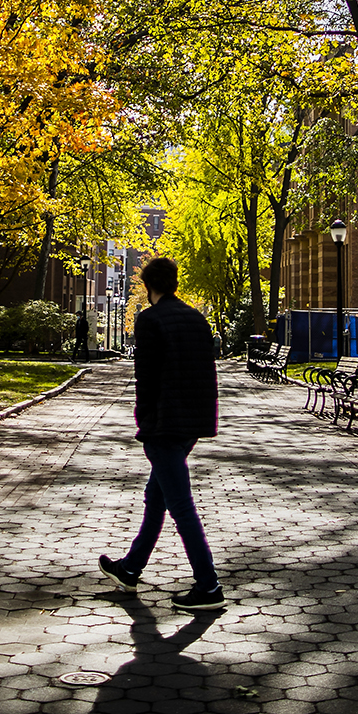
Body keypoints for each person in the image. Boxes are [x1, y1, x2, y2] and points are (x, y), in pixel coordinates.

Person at [98, 256, 224, 610]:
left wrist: (145, 420)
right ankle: (129, 570)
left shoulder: (150, 320)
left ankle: (209, 586)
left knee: (181, 505)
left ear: (147, 284)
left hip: (165, 424)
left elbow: (146, 378)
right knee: (157, 498)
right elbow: (207, 373)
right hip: (192, 423)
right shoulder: (197, 319)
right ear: (174, 282)